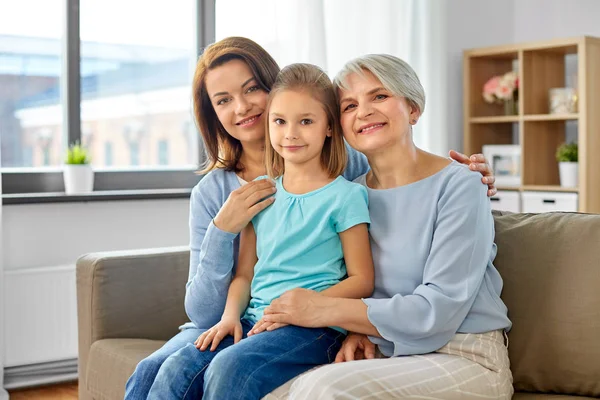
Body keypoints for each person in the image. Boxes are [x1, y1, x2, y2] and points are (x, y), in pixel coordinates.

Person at [124, 37, 498, 399]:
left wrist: (473, 176)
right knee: (154, 372)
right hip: (262, 317)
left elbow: (401, 179)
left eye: (251, 89)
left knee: (261, 375)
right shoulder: (218, 192)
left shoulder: (347, 176)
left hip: (369, 330)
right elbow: (213, 302)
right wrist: (223, 230)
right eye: (223, 100)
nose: (241, 107)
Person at [257, 54, 513, 400]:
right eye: (349, 106)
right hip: (387, 352)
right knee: (267, 390)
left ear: (413, 108)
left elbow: (438, 310)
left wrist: (321, 308)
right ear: (338, 126)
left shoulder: (460, 184)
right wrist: (362, 330)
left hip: (464, 355)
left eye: (379, 96)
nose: (363, 111)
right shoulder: (350, 196)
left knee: (324, 389)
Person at [145, 62, 375, 399]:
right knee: (175, 369)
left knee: (230, 367)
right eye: (279, 121)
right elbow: (244, 275)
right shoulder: (261, 193)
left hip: (314, 326)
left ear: (329, 127)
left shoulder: (347, 194)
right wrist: (228, 318)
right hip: (253, 318)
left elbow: (363, 279)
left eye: (306, 122)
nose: (291, 133)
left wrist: (305, 305)